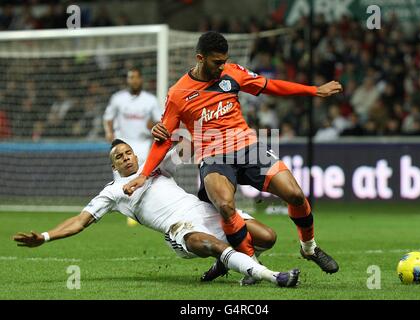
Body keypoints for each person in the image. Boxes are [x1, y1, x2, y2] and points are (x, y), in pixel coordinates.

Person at [123, 31, 342, 280]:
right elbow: (163, 139)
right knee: (226, 207)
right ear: (200, 58)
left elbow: (272, 86)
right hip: (213, 155)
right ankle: (250, 264)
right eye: (217, 62)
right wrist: (144, 174)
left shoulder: (233, 72)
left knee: (294, 194)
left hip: (247, 147)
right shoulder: (178, 94)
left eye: (224, 61)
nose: (221, 67)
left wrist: (313, 91)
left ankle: (309, 248)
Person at [12, 139, 299, 288]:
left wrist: (176, 129)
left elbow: (184, 147)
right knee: (212, 244)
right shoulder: (113, 191)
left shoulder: (157, 166)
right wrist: (46, 236)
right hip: (178, 228)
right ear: (114, 166)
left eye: (128, 153)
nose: (126, 157)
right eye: (119, 157)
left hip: (204, 211)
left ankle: (236, 266)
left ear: (136, 155)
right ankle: (271, 276)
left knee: (268, 237)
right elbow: (80, 221)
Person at [103, 67, 162, 226]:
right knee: (119, 178)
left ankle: (136, 209)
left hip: (142, 143)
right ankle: (122, 207)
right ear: (127, 80)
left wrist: (153, 126)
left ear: (141, 79)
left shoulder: (150, 100)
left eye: (136, 77)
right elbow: (108, 117)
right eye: (130, 77)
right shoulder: (118, 98)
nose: (133, 80)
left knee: (141, 175)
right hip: (122, 143)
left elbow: (158, 121)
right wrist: (109, 132)